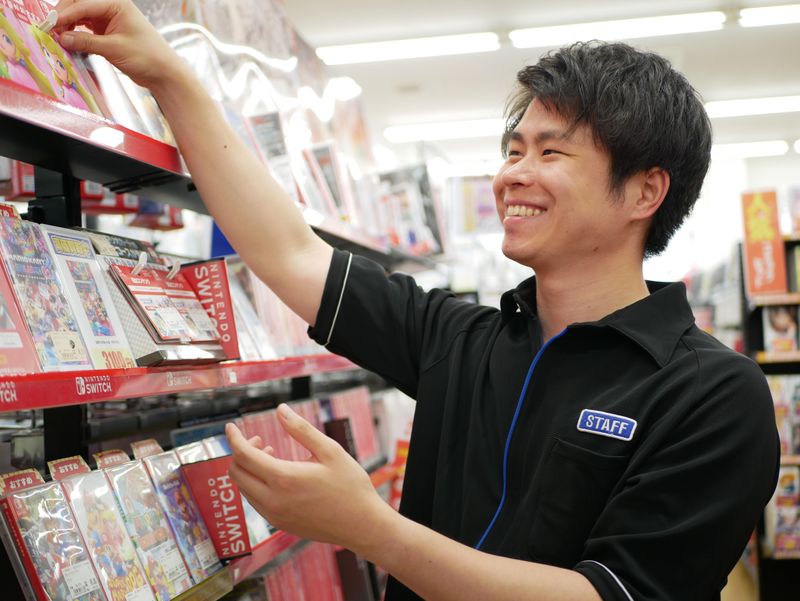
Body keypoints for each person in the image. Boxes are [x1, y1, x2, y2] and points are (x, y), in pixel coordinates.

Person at [53, 2, 780, 600]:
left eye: (551, 152)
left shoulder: (714, 395)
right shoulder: (461, 340)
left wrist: (372, 530)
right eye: (513, 149)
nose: (513, 175)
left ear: (646, 191)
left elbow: (610, 595)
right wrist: (169, 76)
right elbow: (290, 251)